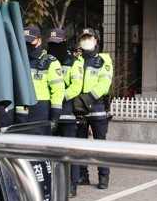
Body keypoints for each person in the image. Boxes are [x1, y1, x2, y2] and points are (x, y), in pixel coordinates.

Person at [66, 27, 113, 190]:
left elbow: (104, 84)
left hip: (97, 106)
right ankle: (82, 175)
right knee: (80, 144)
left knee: (100, 145)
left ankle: (104, 176)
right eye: (83, 38)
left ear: (96, 40)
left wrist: (88, 97)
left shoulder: (103, 60)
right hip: (79, 109)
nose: (86, 40)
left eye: (89, 37)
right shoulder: (77, 61)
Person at [21, 25, 64, 136]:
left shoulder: (50, 62)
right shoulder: (18, 61)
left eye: (29, 42)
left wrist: (55, 115)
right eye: (24, 42)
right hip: (20, 113)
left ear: (39, 41)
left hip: (40, 112)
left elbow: (58, 90)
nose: (26, 45)